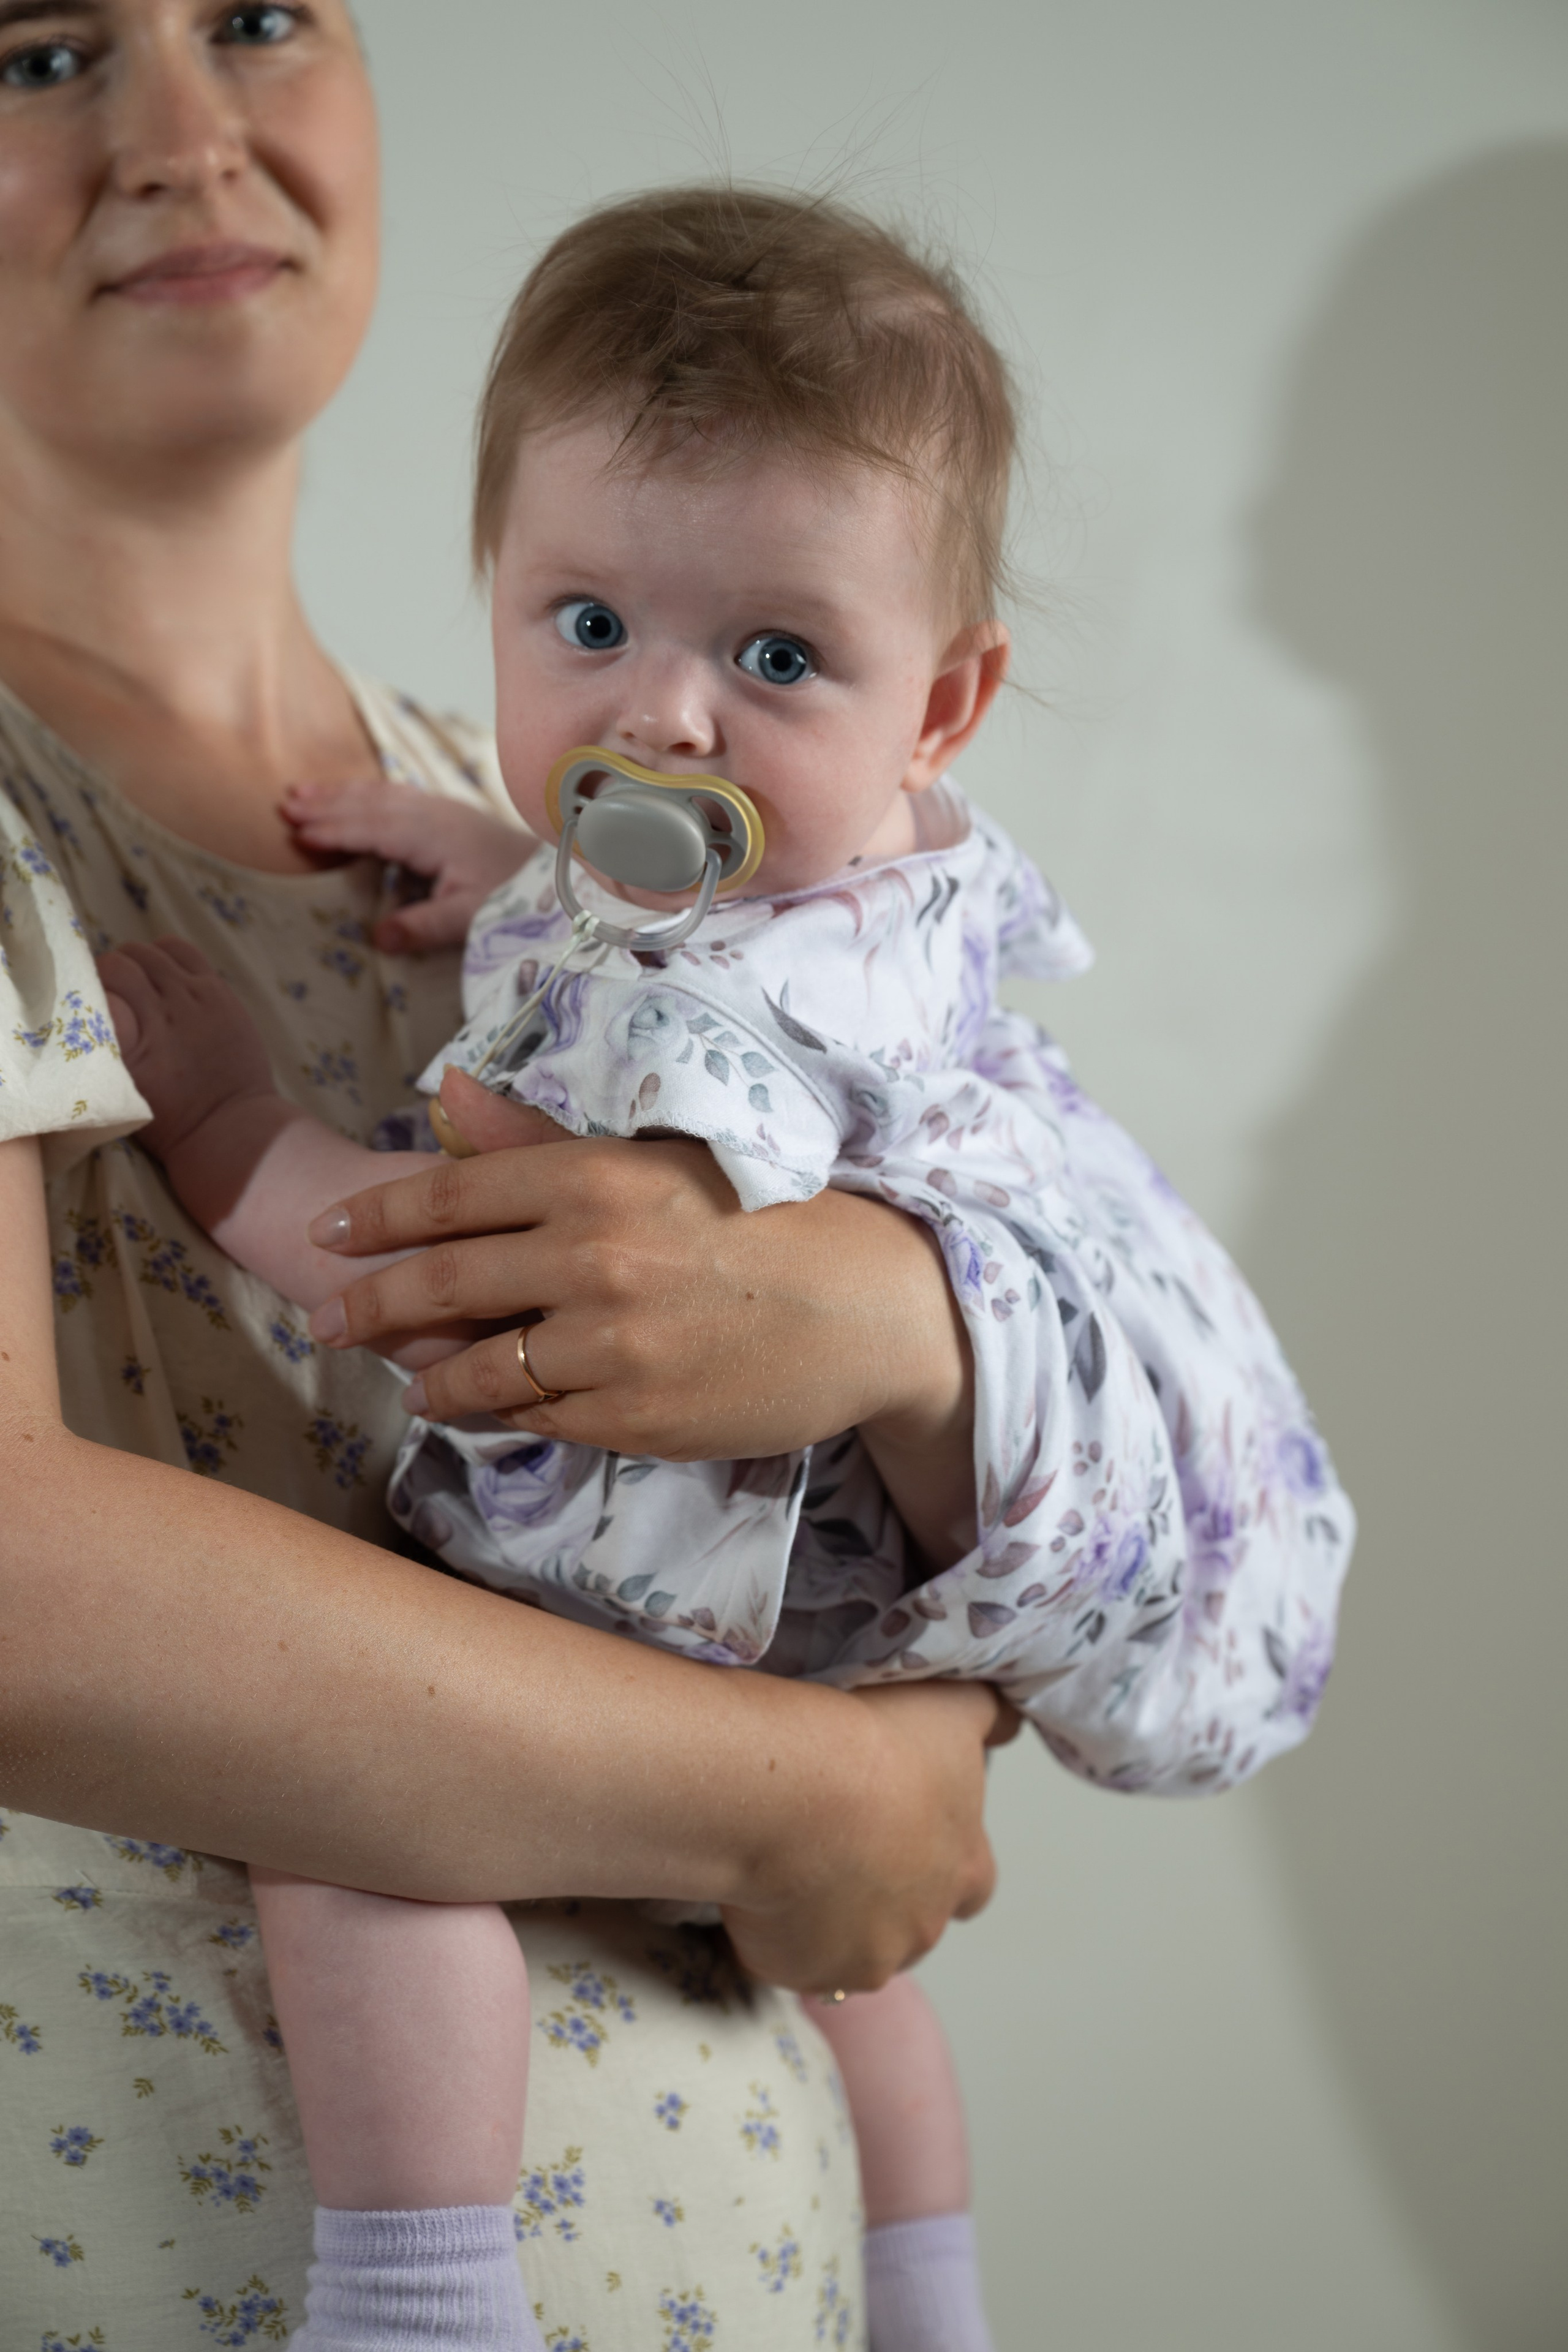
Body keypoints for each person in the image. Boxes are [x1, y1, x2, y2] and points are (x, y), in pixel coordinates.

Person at [99, 186, 1354, 2352]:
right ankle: (930, 2291)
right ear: (495, 592)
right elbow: (730, 952)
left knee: (358, 1848)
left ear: (942, 698)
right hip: (839, 1632)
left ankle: (420, 2298)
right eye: (586, 627)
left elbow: (487, 1287)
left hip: (641, 1600)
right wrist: (519, 876)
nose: (663, 721)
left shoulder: (663, 1033)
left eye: (777, 659)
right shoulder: (906, 907)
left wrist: (229, 1136)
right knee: (832, 1965)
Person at [0, 11, 1014, 2349]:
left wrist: (893, 1327)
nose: (184, 134)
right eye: (42, 47)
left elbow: (1070, 1350)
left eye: (258, 17)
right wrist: (800, 1796)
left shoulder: (565, 831)